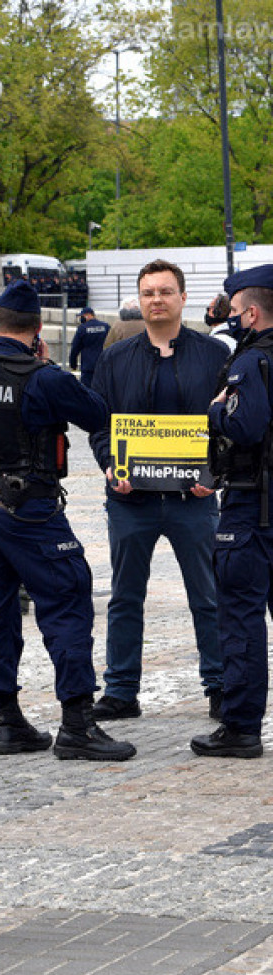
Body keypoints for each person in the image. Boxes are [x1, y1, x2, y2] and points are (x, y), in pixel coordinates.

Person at [0, 279, 136, 762]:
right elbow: (97, 413)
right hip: (32, 512)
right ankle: (78, 724)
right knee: (67, 603)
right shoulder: (45, 377)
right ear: (38, 329)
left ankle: (7, 723)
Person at [90, 259, 229, 722]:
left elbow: (227, 427)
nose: (156, 300)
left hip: (194, 499)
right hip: (132, 500)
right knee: (125, 597)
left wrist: (215, 475)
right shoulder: (114, 358)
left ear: (183, 298)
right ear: (139, 299)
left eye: (165, 292)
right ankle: (121, 689)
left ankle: (219, 684)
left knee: (207, 596)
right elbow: (99, 426)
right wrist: (112, 467)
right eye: (148, 292)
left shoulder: (213, 356)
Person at [192, 266, 273, 758]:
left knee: (241, 618)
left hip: (252, 505)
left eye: (236, 308)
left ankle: (240, 726)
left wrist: (217, 409)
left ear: (252, 312)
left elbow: (245, 425)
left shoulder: (252, 361)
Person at [69, 306, 110, 387]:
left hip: (88, 367)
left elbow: (75, 348)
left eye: (82, 316)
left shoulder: (82, 328)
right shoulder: (105, 327)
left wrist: (73, 364)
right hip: (103, 365)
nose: (81, 319)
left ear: (88, 315)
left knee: (87, 393)